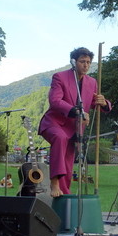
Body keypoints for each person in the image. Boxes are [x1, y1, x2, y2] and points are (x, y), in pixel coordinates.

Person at [39, 47, 112, 197]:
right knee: (59, 138)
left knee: (67, 161)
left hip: (74, 129)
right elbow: (55, 101)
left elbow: (93, 102)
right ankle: (54, 183)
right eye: (82, 61)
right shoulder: (59, 77)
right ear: (73, 62)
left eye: (88, 62)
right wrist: (77, 111)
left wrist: (104, 103)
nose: (85, 65)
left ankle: (64, 195)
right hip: (54, 123)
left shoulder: (92, 82)